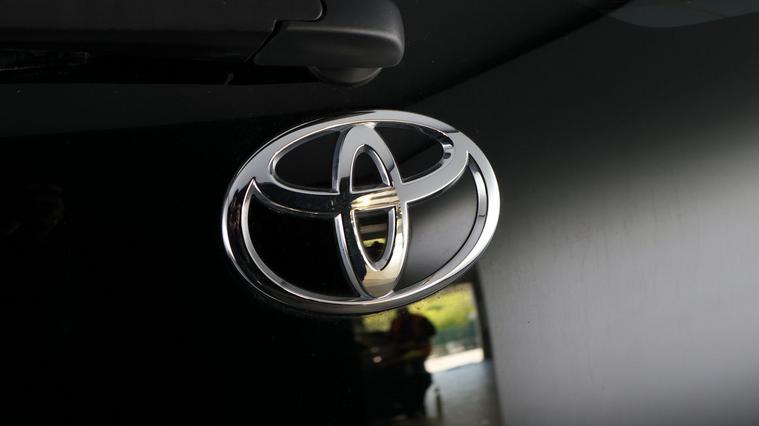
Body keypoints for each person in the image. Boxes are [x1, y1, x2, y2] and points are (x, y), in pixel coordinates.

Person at [389, 307, 437, 417]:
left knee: (419, 377)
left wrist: (416, 342)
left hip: (419, 352)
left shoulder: (419, 319)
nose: (401, 314)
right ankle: (413, 407)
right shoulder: (395, 322)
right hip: (402, 356)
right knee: (409, 379)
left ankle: (418, 406)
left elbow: (432, 332)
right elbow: (391, 337)